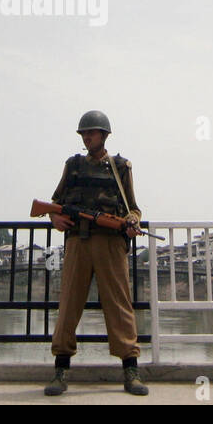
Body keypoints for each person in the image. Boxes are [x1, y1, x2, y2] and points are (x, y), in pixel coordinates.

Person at [44, 110, 148, 396]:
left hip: (111, 245)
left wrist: (132, 223)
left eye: (91, 132)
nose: (86, 137)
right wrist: (55, 219)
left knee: (119, 305)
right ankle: (61, 370)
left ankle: (130, 369)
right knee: (69, 306)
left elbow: (133, 208)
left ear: (104, 135)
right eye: (84, 133)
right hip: (78, 241)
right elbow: (55, 202)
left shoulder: (120, 167)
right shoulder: (73, 166)